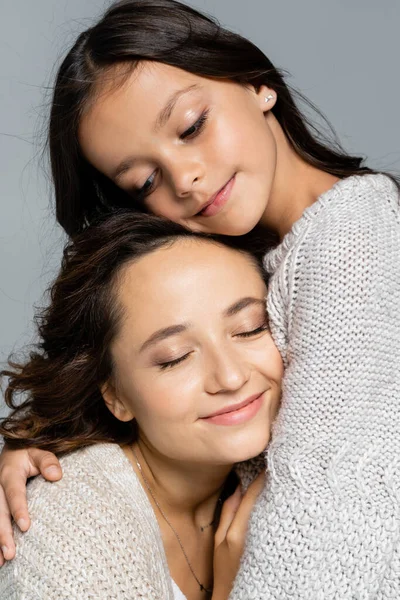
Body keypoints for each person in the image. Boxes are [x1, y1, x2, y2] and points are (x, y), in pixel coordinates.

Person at [0, 0, 399, 597]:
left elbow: (327, 526)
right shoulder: (264, 251)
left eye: (190, 127)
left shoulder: (353, 241)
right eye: (146, 182)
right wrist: (47, 451)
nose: (184, 177)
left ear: (256, 82)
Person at [0, 212, 282, 599]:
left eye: (251, 328)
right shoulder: (68, 533)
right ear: (115, 395)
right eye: (175, 357)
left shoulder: (294, 460)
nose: (231, 378)